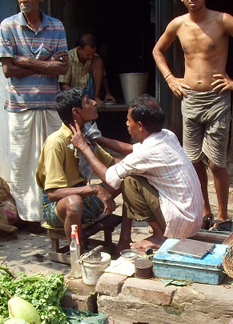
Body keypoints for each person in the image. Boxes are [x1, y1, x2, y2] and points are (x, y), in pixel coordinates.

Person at [153, 0, 233, 231]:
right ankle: (204, 211)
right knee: (193, 161)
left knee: (215, 163)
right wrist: (170, 78)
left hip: (216, 100)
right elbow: (157, 50)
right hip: (190, 99)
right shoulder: (177, 24)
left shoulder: (222, 20)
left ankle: (222, 217)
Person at [70, 94, 204, 250]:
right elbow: (130, 149)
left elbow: (109, 177)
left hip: (183, 224)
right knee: (133, 176)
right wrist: (98, 138)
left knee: (129, 181)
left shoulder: (147, 153)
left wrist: (84, 147)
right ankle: (144, 234)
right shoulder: (166, 135)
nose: (126, 123)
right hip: (193, 219)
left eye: (129, 120)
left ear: (140, 125)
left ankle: (159, 236)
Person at [0, 0, 68, 232]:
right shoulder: (8, 26)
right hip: (20, 105)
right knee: (23, 162)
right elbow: (8, 70)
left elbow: (63, 68)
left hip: (49, 104)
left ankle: (55, 213)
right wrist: (45, 64)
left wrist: (26, 61)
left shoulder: (56, 26)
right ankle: (27, 217)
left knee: (54, 161)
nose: (23, 1)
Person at [36, 87, 130, 249]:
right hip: (59, 207)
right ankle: (77, 257)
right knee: (74, 202)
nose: (94, 103)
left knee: (129, 180)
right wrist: (94, 189)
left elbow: (111, 164)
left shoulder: (85, 135)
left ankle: (124, 242)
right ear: (76, 112)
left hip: (85, 199)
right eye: (88, 102)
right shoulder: (56, 143)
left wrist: (136, 165)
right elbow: (53, 194)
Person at [59, 33, 115, 105]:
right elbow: (64, 85)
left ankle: (96, 97)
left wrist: (108, 93)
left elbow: (103, 76)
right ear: (79, 49)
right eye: (88, 54)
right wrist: (77, 99)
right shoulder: (68, 58)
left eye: (93, 54)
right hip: (74, 95)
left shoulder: (94, 57)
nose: (91, 57)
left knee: (98, 61)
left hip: (89, 92)